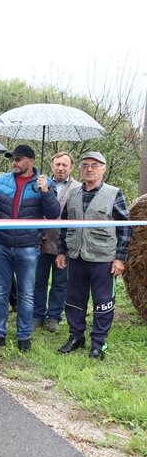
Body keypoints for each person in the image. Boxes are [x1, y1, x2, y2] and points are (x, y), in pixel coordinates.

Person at [0, 144, 60, 352]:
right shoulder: (2, 180)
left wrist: (46, 192)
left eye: (18, 159)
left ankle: (24, 336)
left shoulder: (44, 183)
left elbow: (54, 212)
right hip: (2, 245)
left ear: (30, 161)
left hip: (28, 247)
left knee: (27, 293)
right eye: (12, 159)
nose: (14, 162)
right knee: (1, 292)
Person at [57, 151, 131, 359]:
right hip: (77, 256)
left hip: (103, 258)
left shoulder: (114, 193)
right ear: (80, 169)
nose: (89, 169)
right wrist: (62, 251)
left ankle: (99, 343)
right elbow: (65, 225)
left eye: (95, 165)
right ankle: (76, 337)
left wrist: (120, 258)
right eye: (86, 165)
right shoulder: (73, 194)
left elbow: (124, 228)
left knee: (103, 302)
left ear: (103, 169)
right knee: (74, 300)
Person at [33, 152, 80, 332]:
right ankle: (37, 315)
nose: (60, 168)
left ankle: (54, 317)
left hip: (64, 244)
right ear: (52, 165)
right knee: (39, 280)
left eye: (64, 165)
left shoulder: (77, 187)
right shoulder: (41, 183)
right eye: (57, 164)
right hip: (42, 241)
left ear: (71, 167)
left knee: (61, 282)